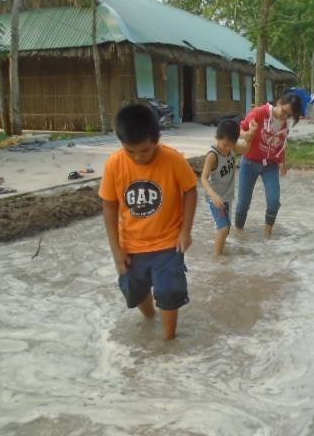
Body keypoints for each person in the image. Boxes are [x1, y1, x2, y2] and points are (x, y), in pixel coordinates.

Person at [99, 104, 198, 341]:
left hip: (168, 243)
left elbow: (190, 191)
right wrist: (116, 250)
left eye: (144, 151)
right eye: (130, 151)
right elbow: (109, 206)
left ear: (156, 140)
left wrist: (185, 231)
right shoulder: (114, 164)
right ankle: (150, 318)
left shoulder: (173, 160)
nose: (137, 157)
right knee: (134, 290)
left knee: (169, 291)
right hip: (131, 245)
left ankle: (167, 341)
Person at [234, 89, 306, 237]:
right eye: (284, 111)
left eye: (289, 115)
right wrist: (246, 134)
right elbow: (240, 128)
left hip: (270, 165)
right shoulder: (259, 113)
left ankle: (268, 235)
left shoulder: (284, 125)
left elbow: (280, 144)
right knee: (243, 204)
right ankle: (238, 234)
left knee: (274, 201)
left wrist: (281, 162)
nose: (284, 116)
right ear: (279, 102)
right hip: (250, 162)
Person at [200, 118, 256, 255]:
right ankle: (217, 258)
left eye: (231, 145)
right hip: (216, 198)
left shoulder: (232, 148)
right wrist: (213, 196)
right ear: (216, 138)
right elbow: (203, 179)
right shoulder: (212, 156)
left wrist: (251, 135)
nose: (227, 149)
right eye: (225, 145)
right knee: (223, 228)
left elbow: (245, 150)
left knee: (227, 228)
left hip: (227, 196)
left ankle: (221, 252)